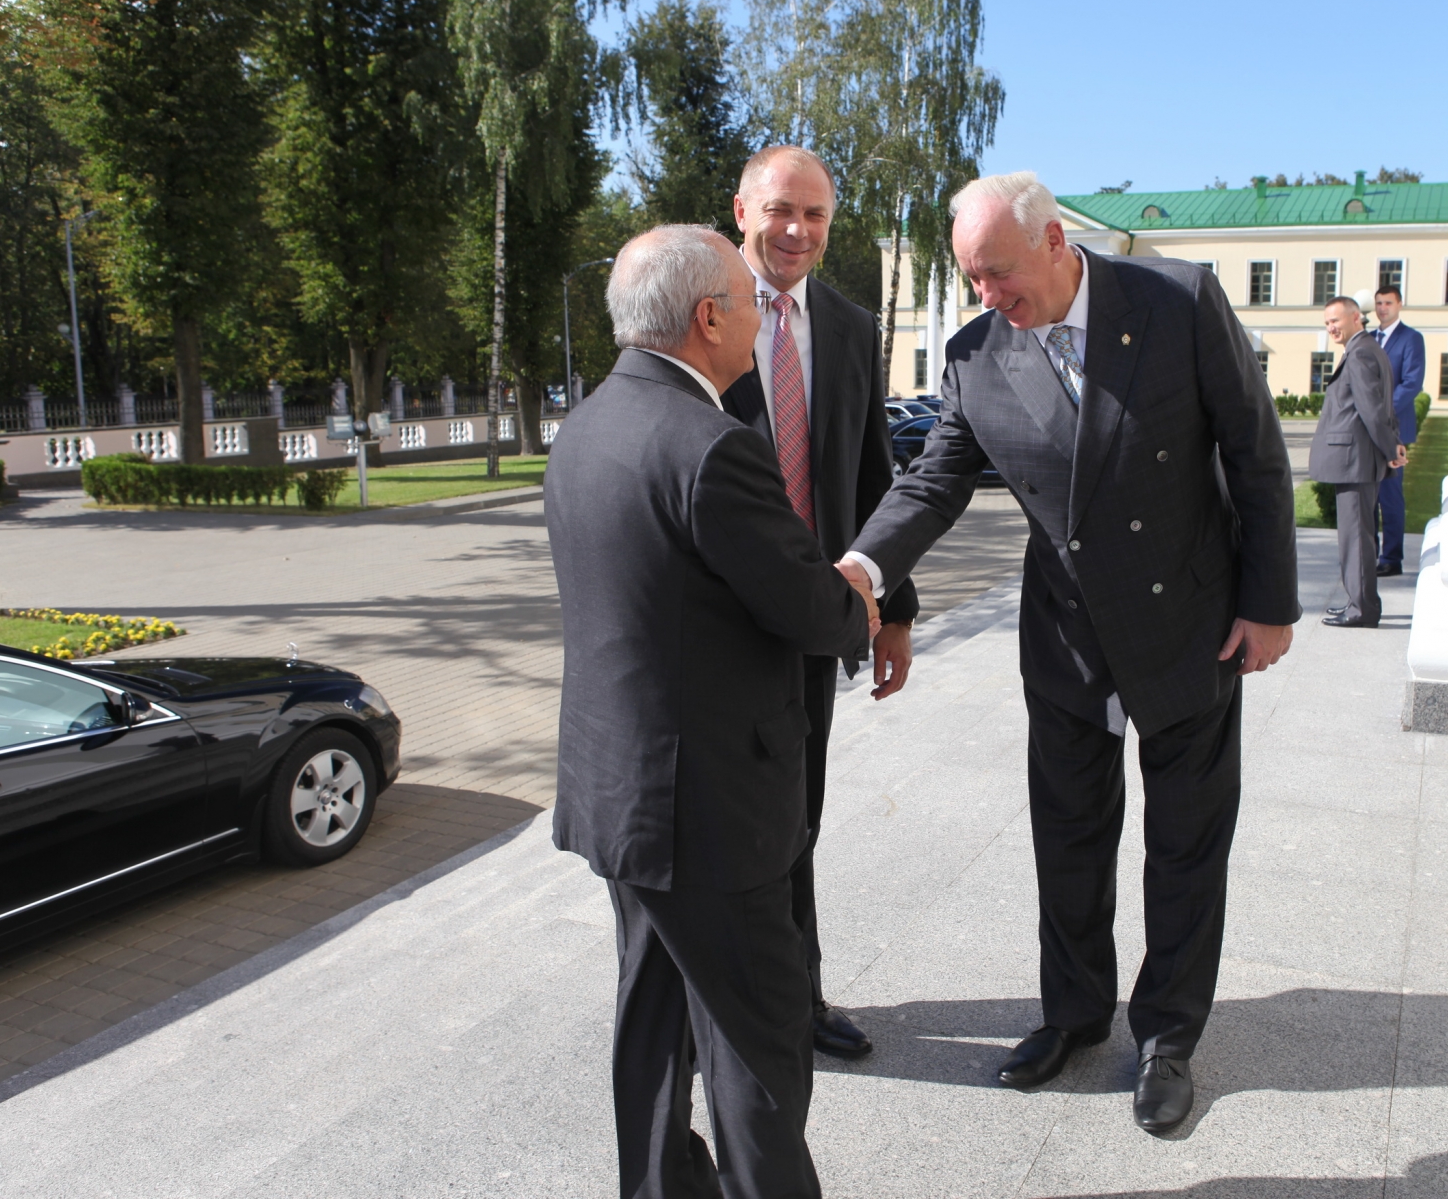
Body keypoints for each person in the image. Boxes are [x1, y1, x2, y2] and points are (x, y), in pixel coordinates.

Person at [835, 171, 1299, 1134]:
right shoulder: (975, 356)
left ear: (1054, 242)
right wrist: (863, 570)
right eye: (971, 278)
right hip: (1068, 637)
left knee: (1185, 845)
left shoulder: (1177, 300)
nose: (986, 295)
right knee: (1070, 840)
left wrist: (1269, 605)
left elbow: (1253, 448)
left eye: (997, 272)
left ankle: (1167, 1037)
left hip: (1188, 622)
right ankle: (1075, 1015)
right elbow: (932, 484)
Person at [544, 225, 878, 1199]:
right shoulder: (714, 445)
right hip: (710, 810)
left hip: (620, 796)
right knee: (758, 1046)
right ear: (707, 319)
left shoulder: (586, 426)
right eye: (747, 303)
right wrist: (859, 593)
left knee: (652, 1020)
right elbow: (811, 610)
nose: (761, 320)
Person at [723, 145, 920, 1060]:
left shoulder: (847, 325)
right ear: (741, 211)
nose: (797, 231)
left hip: (815, 621)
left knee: (796, 819)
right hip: (718, 627)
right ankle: (715, 1007)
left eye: (816, 215)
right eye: (780, 210)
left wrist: (895, 611)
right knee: (725, 826)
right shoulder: (699, 308)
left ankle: (796, 999)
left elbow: (878, 480)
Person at [1308, 296, 1406, 628]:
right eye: (1327, 323)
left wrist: (1391, 449)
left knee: (1356, 538)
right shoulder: (1366, 348)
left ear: (1355, 318)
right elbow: (1382, 406)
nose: (1331, 328)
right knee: (1360, 535)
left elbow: (1372, 409)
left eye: (1335, 320)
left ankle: (1361, 609)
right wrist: (1394, 444)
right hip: (1358, 459)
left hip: (1355, 460)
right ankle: (1360, 602)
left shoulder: (1361, 352)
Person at [1369, 285, 1425, 576]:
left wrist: (1382, 412)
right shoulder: (1368, 339)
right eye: (1379, 303)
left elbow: (1412, 383)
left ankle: (1391, 558)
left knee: (1390, 496)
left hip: (1394, 429)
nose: (1383, 308)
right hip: (1366, 429)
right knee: (1368, 497)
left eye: (1388, 303)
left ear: (1399, 304)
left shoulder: (1411, 339)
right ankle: (1368, 556)